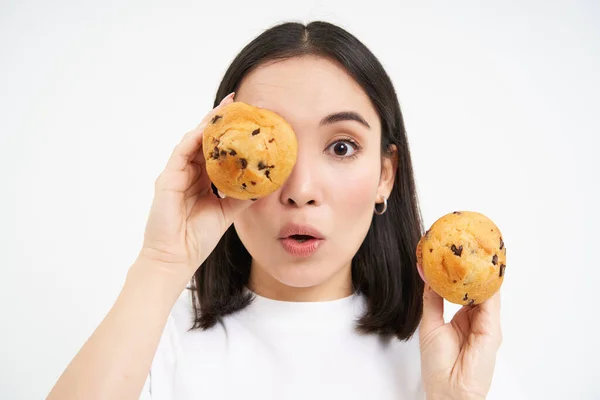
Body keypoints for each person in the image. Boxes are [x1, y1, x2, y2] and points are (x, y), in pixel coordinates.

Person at [47, 21, 506, 400]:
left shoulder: (454, 356)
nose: (300, 190)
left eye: (341, 146)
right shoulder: (150, 344)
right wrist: (161, 262)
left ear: (386, 175)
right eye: (268, 146)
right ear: (216, 161)